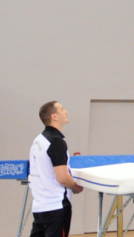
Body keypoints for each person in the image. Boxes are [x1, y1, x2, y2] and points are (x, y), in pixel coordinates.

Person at [29, 101, 83, 237]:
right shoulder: (56, 141)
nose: (66, 112)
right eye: (62, 109)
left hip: (40, 206)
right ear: (54, 116)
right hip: (56, 207)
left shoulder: (38, 140)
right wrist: (76, 187)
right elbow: (62, 178)